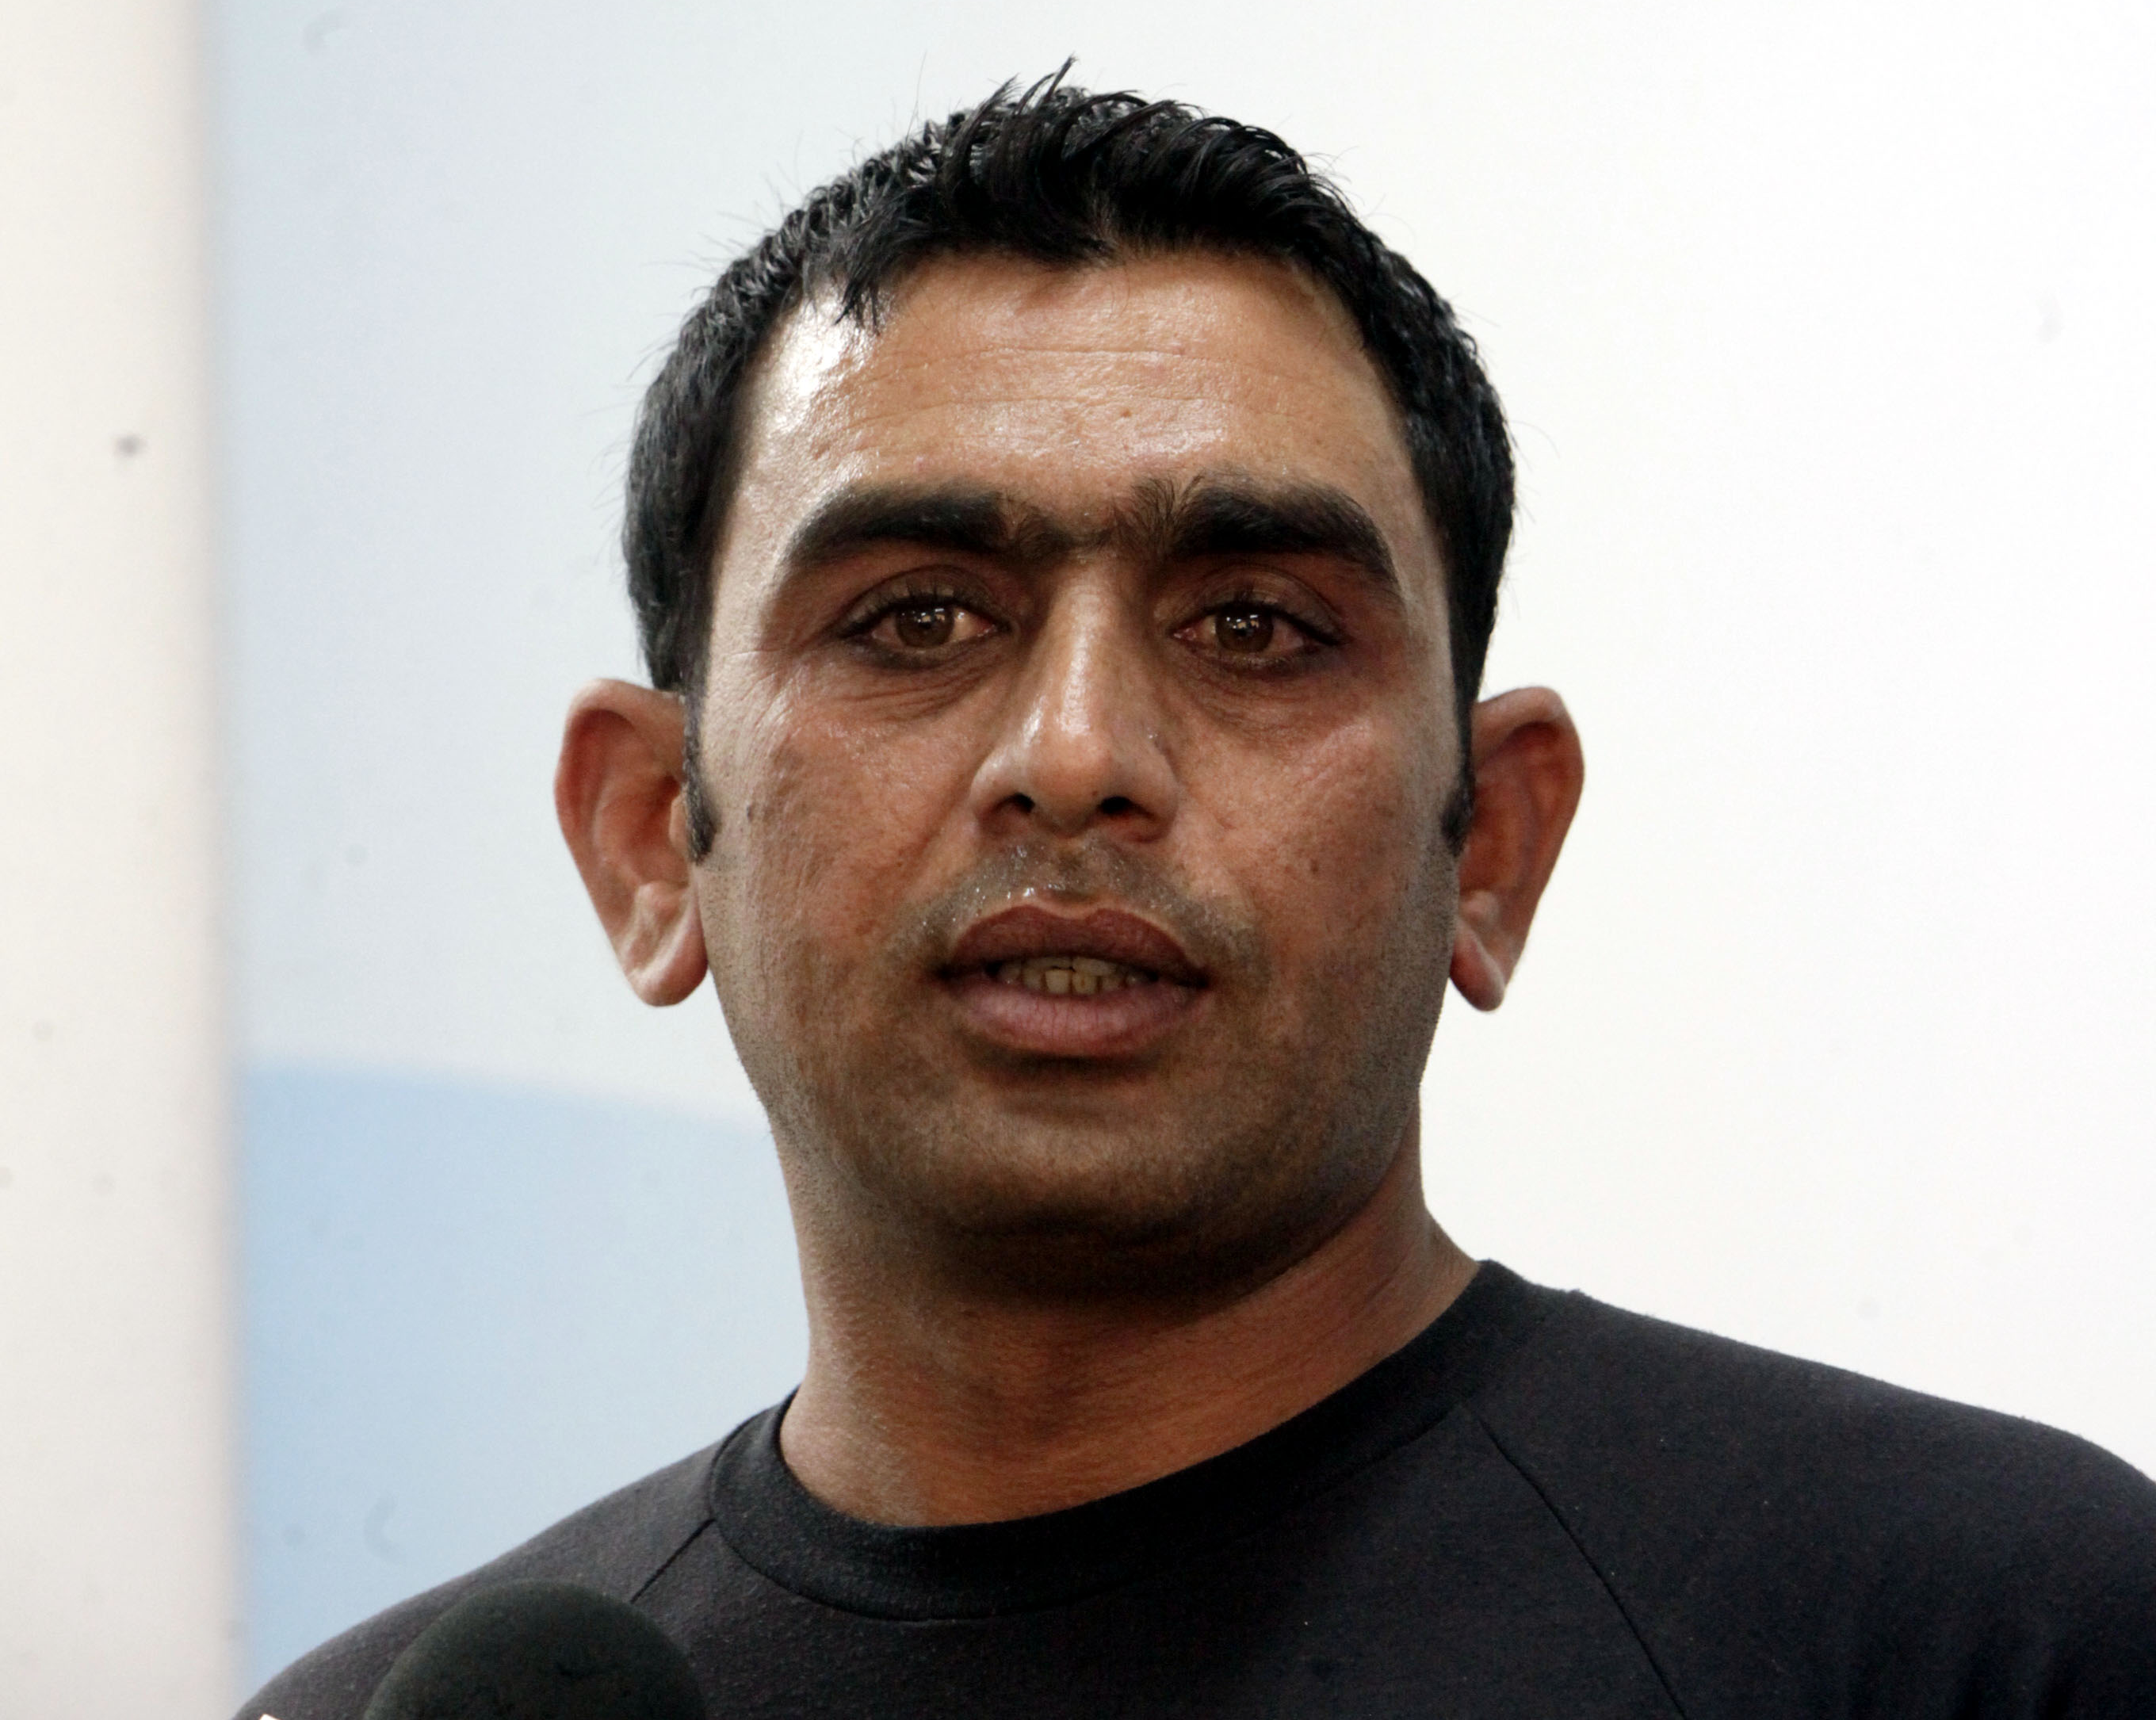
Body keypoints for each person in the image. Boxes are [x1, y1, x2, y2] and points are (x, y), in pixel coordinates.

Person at [244, 84, 2156, 1717]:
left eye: (1254, 626)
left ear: (1488, 845)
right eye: (918, 619)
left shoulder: (1986, 1637)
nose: (1076, 754)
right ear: (655, 838)